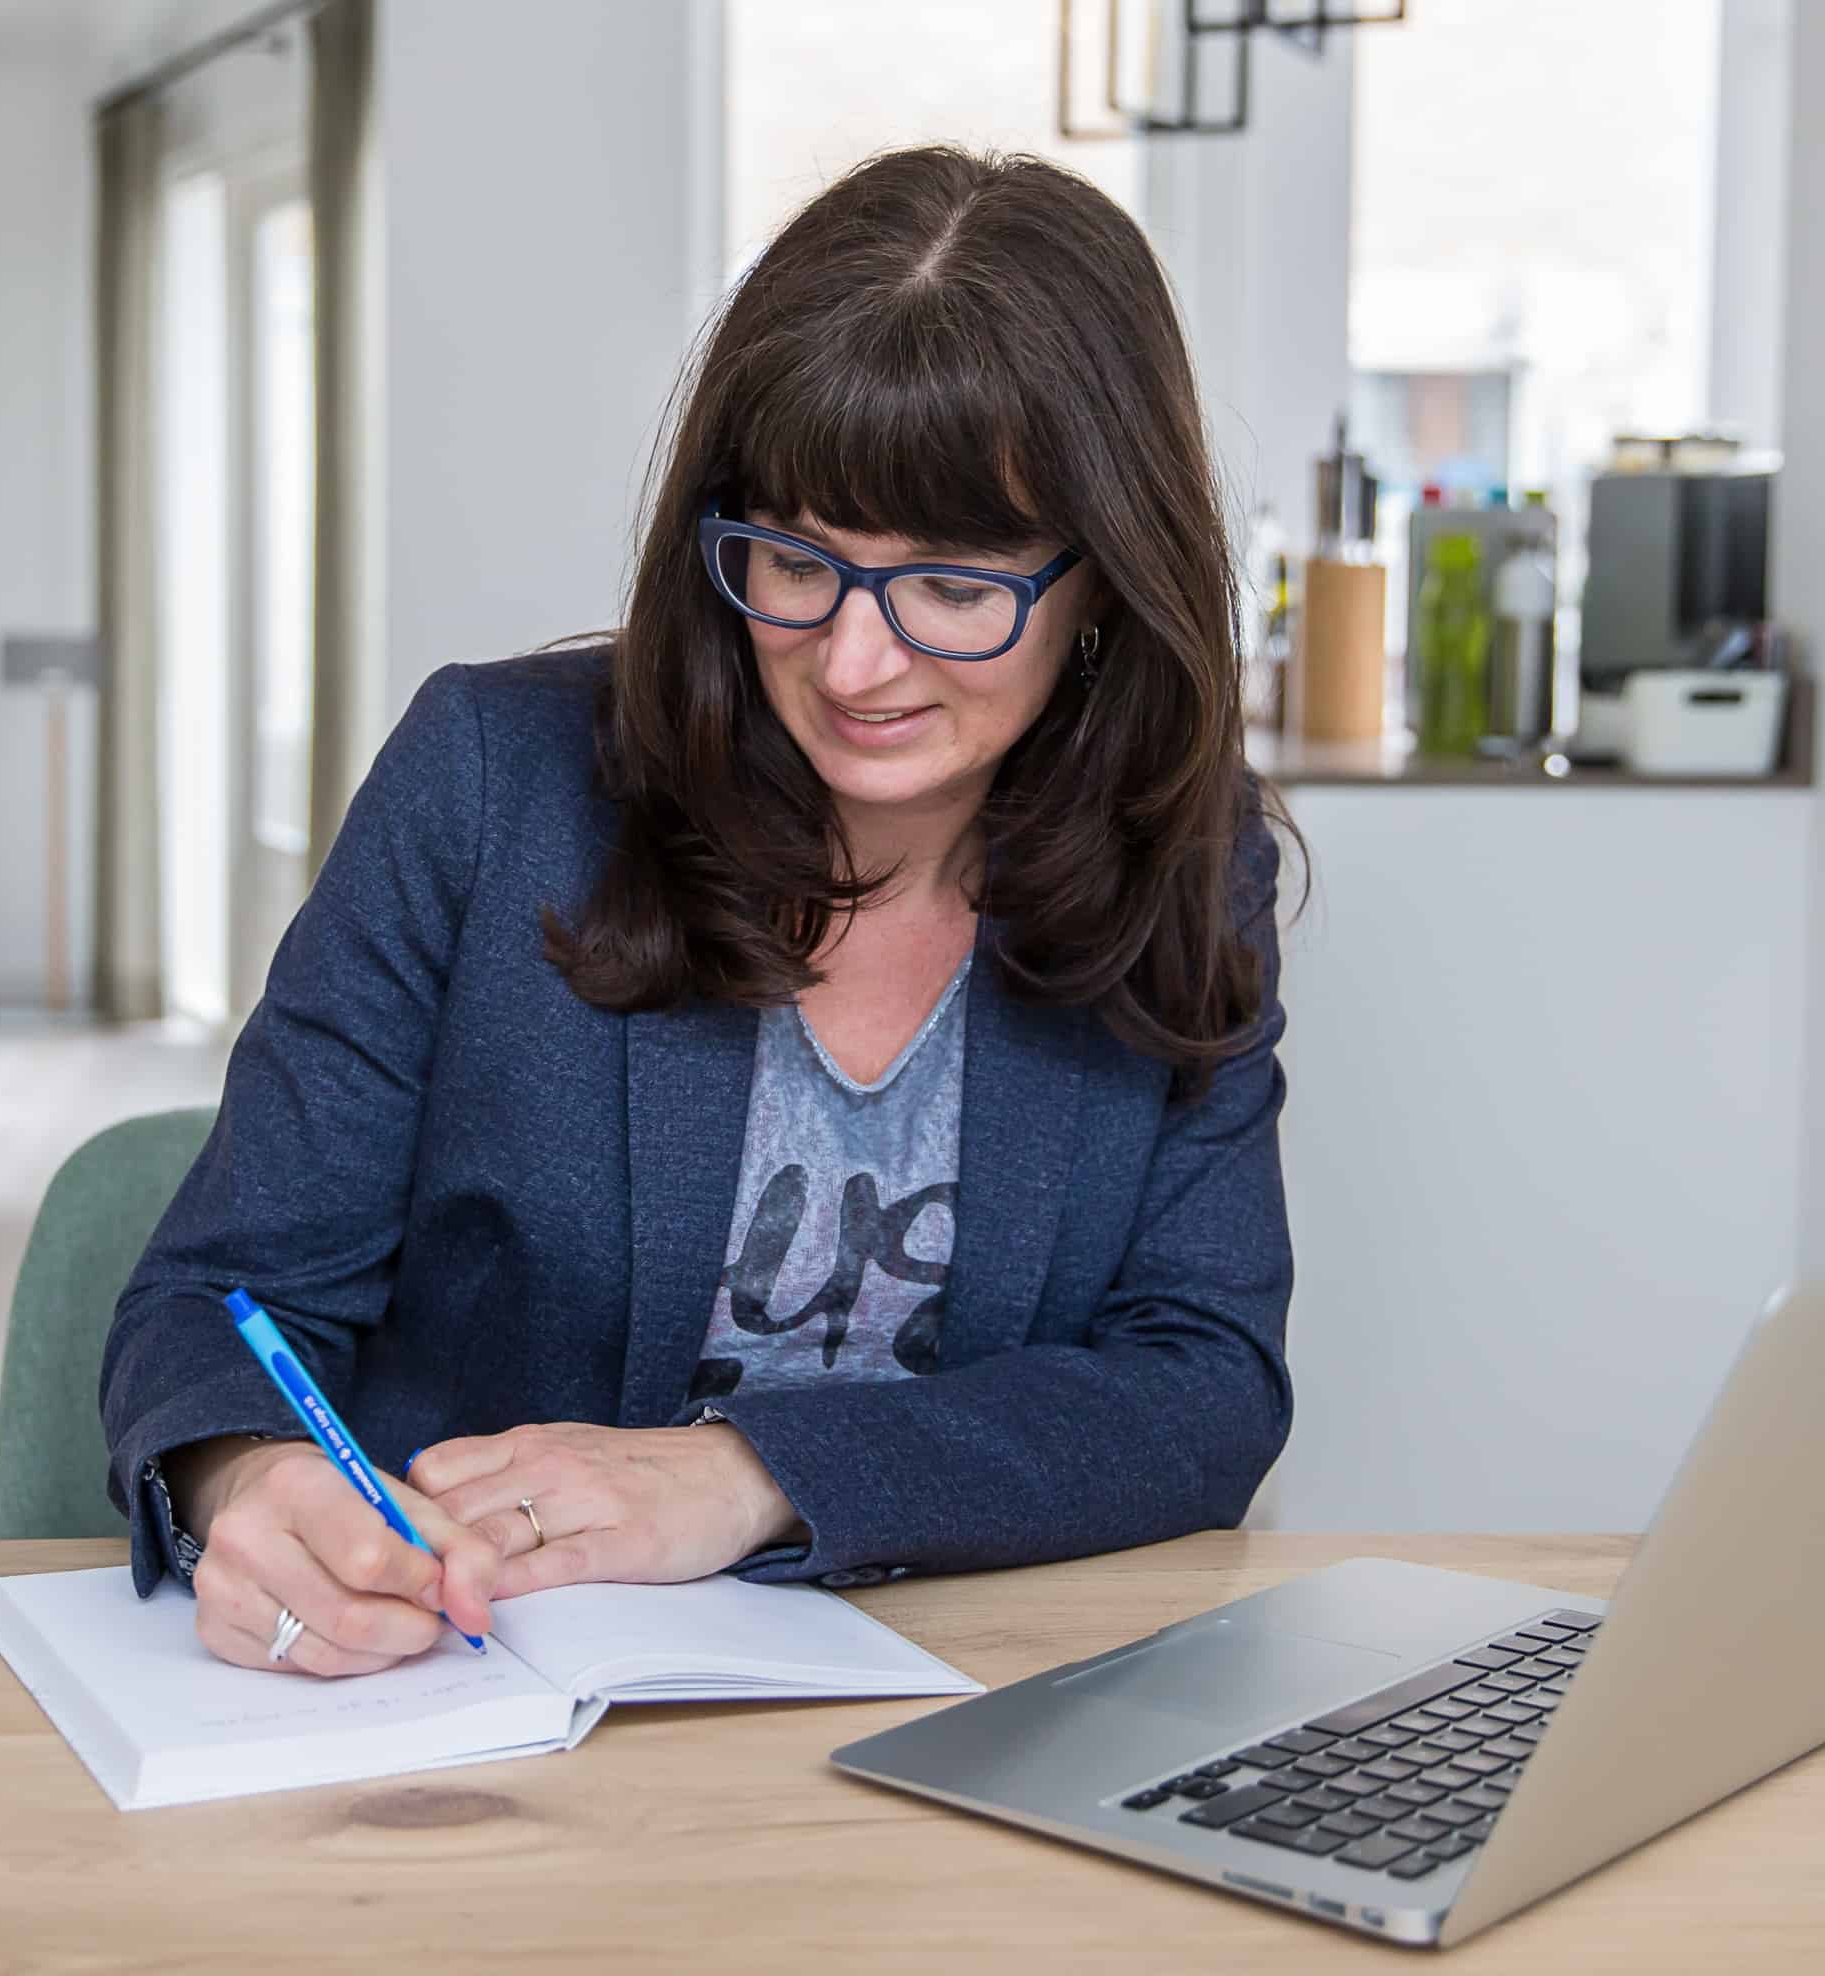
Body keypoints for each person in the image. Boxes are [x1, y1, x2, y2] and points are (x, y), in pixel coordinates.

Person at [100, 143, 1298, 1681]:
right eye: (796, 560)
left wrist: (756, 1473)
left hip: (965, 1716)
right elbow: (213, 1302)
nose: (855, 666)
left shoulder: (1187, 863)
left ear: (1105, 587)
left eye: (952, 586)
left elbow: (1203, 1385)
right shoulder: (493, 782)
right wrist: (251, 1482)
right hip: (469, 1711)